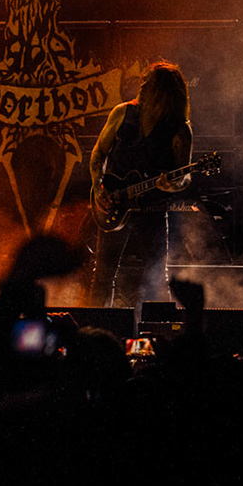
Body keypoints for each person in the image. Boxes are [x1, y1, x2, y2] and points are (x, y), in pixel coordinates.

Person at [86, 61, 192, 308]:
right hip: (113, 203)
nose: (143, 87)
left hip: (152, 210)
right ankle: (95, 324)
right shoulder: (123, 113)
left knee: (157, 276)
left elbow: (185, 176)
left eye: (150, 84)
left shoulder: (179, 129)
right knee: (103, 277)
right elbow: (98, 152)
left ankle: (159, 327)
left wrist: (172, 185)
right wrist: (98, 188)